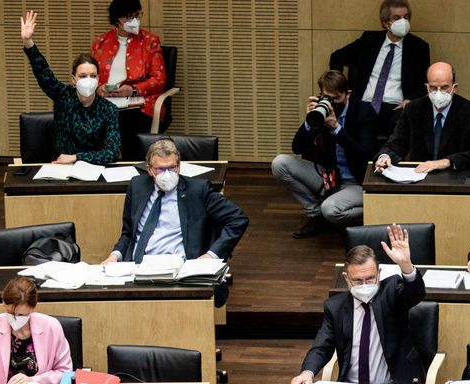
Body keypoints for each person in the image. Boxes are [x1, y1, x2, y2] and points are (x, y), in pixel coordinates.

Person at [101, 139, 249, 306]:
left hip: (179, 273)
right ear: (149, 170)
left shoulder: (198, 190)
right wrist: (114, 256)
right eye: (160, 169)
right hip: (137, 270)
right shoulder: (137, 186)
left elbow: (238, 219)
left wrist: (211, 256)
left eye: (172, 168)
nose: (167, 174)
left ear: (179, 167)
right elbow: (128, 232)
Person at [290, 224, 426, 384]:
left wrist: (406, 265)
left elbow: (415, 293)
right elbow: (321, 347)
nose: (364, 285)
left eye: (370, 279)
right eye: (358, 280)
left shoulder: (391, 292)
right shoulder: (335, 307)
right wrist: (307, 373)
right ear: (347, 278)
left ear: (379, 272)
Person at [271, 71, 376, 239]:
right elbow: (297, 147)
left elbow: (365, 154)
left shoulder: (363, 111)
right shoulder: (321, 111)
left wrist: (336, 129)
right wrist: (310, 121)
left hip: (357, 181)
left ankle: (376, 209)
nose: (331, 103)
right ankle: (315, 215)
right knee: (280, 163)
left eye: (336, 98)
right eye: (326, 97)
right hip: (330, 177)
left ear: (347, 94)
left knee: (330, 209)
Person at [20, 10, 120, 165]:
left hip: (93, 169)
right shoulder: (63, 96)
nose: (88, 80)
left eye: (93, 76)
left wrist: (76, 157)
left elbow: (111, 152)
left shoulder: (109, 110)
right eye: (82, 76)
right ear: (74, 79)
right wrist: (28, 42)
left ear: (99, 79)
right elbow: (44, 74)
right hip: (60, 168)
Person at [329, 0, 430, 138]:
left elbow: (425, 83)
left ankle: (386, 158)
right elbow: (337, 57)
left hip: (396, 107)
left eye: (406, 17)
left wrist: (410, 100)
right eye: (396, 18)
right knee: (362, 129)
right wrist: (341, 91)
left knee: (403, 125)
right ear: (385, 23)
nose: (403, 21)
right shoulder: (369, 40)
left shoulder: (419, 47)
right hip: (364, 103)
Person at [374, 62, 470, 174]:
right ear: (427, 87)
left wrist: (447, 162)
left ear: (454, 87)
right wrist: (385, 156)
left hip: (455, 178)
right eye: (433, 88)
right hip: (420, 178)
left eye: (444, 87)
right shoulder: (413, 109)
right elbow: (396, 144)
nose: (438, 92)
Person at [92, 0, 168, 138]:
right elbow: (90, 74)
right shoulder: (100, 42)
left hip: (138, 105)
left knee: (120, 122)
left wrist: (133, 90)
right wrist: (98, 88)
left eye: (137, 15)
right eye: (128, 17)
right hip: (104, 102)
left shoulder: (150, 41)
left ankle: (120, 156)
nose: (134, 21)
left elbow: (159, 80)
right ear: (116, 19)